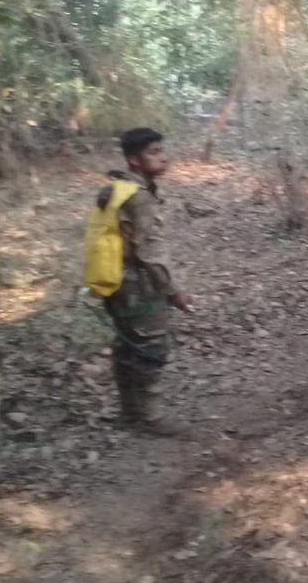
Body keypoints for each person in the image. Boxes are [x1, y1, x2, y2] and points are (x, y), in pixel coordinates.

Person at [96, 128, 193, 436]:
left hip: (114, 284)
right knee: (152, 349)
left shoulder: (116, 188)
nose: (163, 157)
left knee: (126, 347)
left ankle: (129, 412)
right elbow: (150, 254)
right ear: (134, 160)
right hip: (138, 287)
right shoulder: (138, 198)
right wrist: (174, 292)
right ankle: (151, 417)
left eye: (162, 150)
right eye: (154, 152)